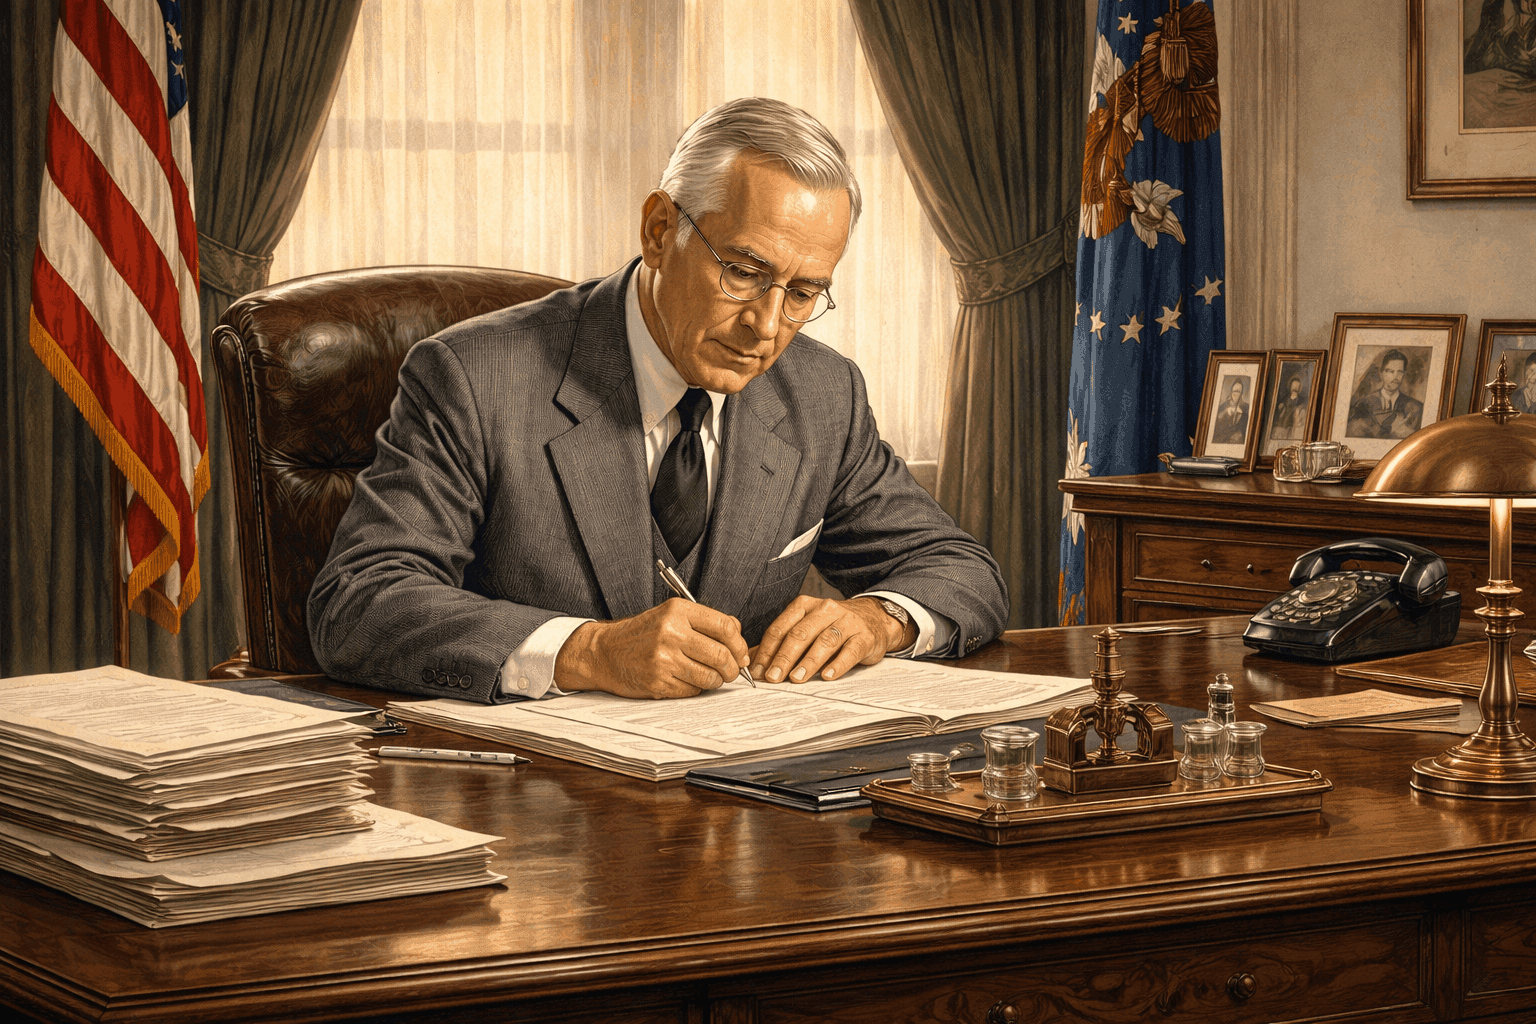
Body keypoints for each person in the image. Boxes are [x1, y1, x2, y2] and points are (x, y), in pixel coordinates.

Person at [307, 97, 1009, 705]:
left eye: (802, 293)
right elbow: (361, 601)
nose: (767, 326)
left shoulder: (823, 394)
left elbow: (962, 569)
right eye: (744, 270)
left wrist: (878, 618)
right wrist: (588, 652)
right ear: (658, 231)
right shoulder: (474, 377)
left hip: (749, 812)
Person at [1347, 349, 1422, 439]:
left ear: (1404, 374)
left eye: (1400, 372)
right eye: (1390, 371)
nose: (1395, 377)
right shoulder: (1363, 404)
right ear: (1381, 372)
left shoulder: (1416, 407)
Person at [1268, 375, 1307, 441]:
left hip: (1291, 427)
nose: (1295, 388)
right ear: (1290, 386)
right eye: (1294, 386)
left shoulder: (1301, 401)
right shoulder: (1284, 399)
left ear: (1299, 388)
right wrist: (1280, 408)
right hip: (1281, 424)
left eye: (1297, 386)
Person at [1211, 378, 1249, 444]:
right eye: (1233, 391)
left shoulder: (1246, 407)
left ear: (1241, 395)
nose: (1234, 394)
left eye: (1237, 391)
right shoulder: (1223, 406)